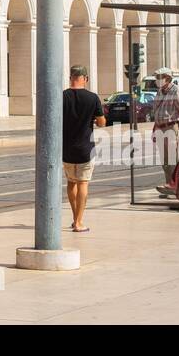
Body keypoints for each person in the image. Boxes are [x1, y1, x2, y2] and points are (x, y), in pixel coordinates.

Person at [61, 65, 106, 233]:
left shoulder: (62, 96)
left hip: (66, 149)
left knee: (71, 182)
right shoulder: (92, 98)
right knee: (83, 183)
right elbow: (101, 122)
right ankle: (79, 222)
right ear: (85, 78)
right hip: (86, 148)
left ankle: (75, 218)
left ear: (70, 77)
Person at [151, 67, 179, 197]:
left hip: (171, 127)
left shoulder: (176, 91)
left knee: (172, 159)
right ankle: (169, 185)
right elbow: (157, 113)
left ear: (167, 78)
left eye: (159, 77)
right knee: (165, 160)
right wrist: (154, 130)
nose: (157, 80)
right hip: (160, 128)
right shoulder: (159, 91)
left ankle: (176, 185)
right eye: (157, 78)